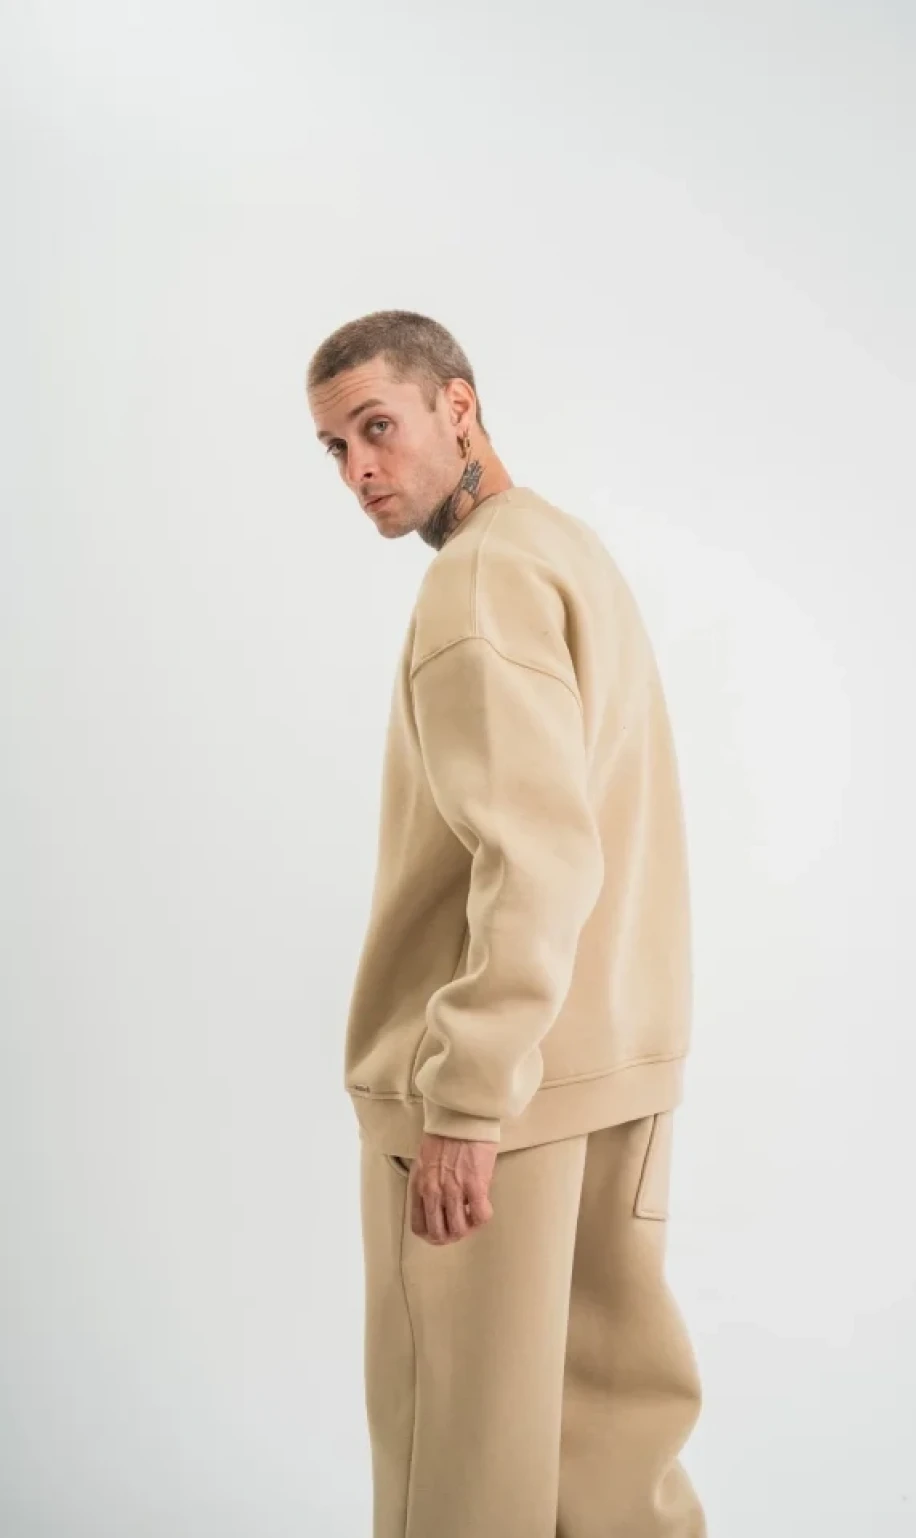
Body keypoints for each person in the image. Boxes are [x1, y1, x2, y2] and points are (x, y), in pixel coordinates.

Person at [305, 309, 706, 1538]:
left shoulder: (478, 579)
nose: (360, 469)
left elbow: (535, 854)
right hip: (614, 1074)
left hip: (501, 1110)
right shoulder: (565, 551)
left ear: (458, 406)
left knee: (463, 1474)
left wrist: (465, 1101)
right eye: (335, 447)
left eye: (378, 426)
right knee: (608, 1458)